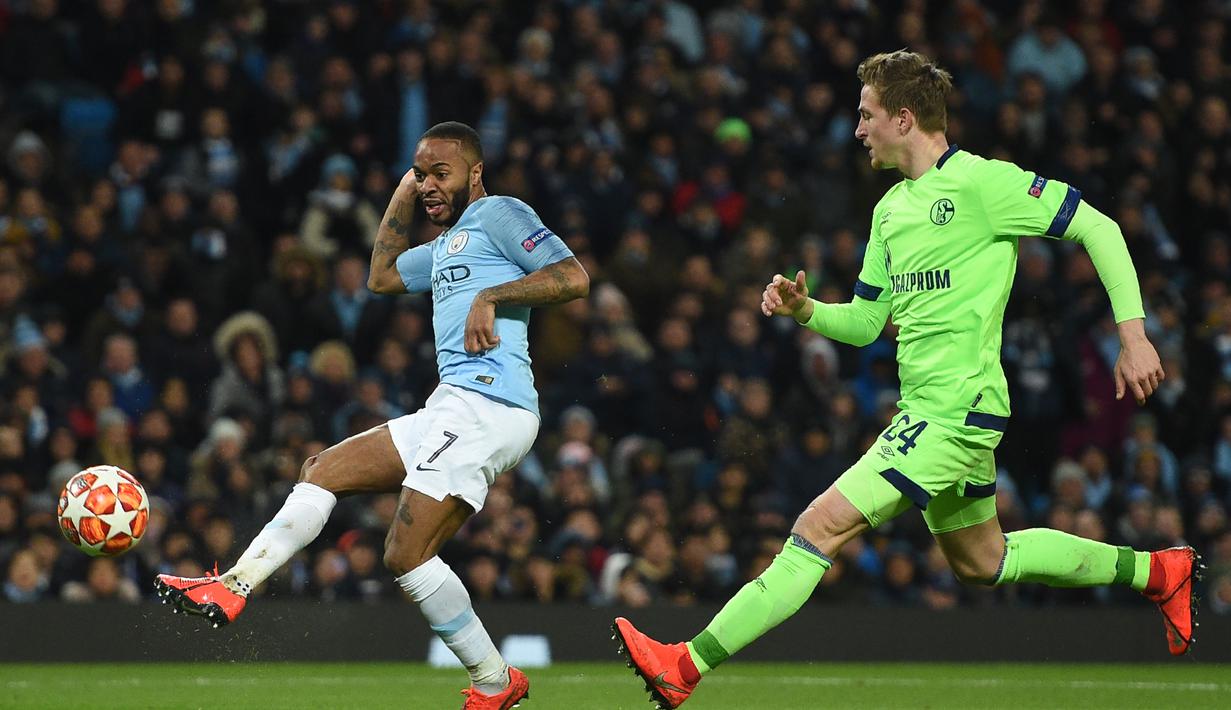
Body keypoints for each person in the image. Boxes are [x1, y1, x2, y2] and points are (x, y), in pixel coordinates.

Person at [611, 51, 1200, 709]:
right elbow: (865, 323)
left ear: (901, 117)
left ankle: (685, 665)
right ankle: (1156, 570)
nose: (857, 129)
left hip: (957, 405)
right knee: (984, 562)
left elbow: (1099, 226)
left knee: (818, 524)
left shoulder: (983, 184)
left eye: (865, 116)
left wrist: (1133, 335)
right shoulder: (890, 209)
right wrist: (806, 310)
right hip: (935, 408)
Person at [156, 121, 589, 709]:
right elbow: (380, 277)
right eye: (422, 173)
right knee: (321, 469)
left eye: (442, 173)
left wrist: (493, 296)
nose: (430, 183)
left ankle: (495, 680)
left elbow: (573, 276)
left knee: (404, 555)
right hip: (452, 405)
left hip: (494, 404)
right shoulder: (445, 245)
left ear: (476, 172)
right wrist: (403, 194)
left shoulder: (503, 214)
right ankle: (233, 585)